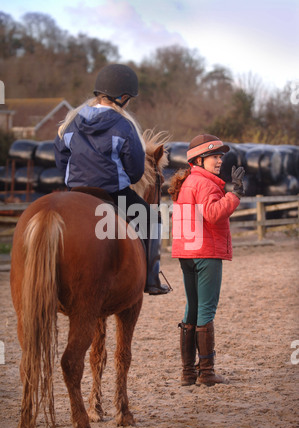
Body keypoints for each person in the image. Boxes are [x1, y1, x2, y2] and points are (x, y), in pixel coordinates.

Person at [54, 63, 170, 295]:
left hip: (75, 193)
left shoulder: (71, 121)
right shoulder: (124, 125)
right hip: (112, 193)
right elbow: (136, 170)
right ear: (124, 97)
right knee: (153, 219)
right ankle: (151, 280)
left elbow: (60, 158)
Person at [168, 134, 245, 386]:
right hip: (206, 252)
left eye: (221, 156)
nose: (220, 160)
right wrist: (234, 195)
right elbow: (213, 214)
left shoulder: (188, 182)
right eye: (215, 156)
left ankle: (188, 373)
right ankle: (207, 373)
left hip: (187, 253)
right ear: (199, 159)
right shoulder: (206, 184)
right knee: (206, 309)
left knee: (192, 307)